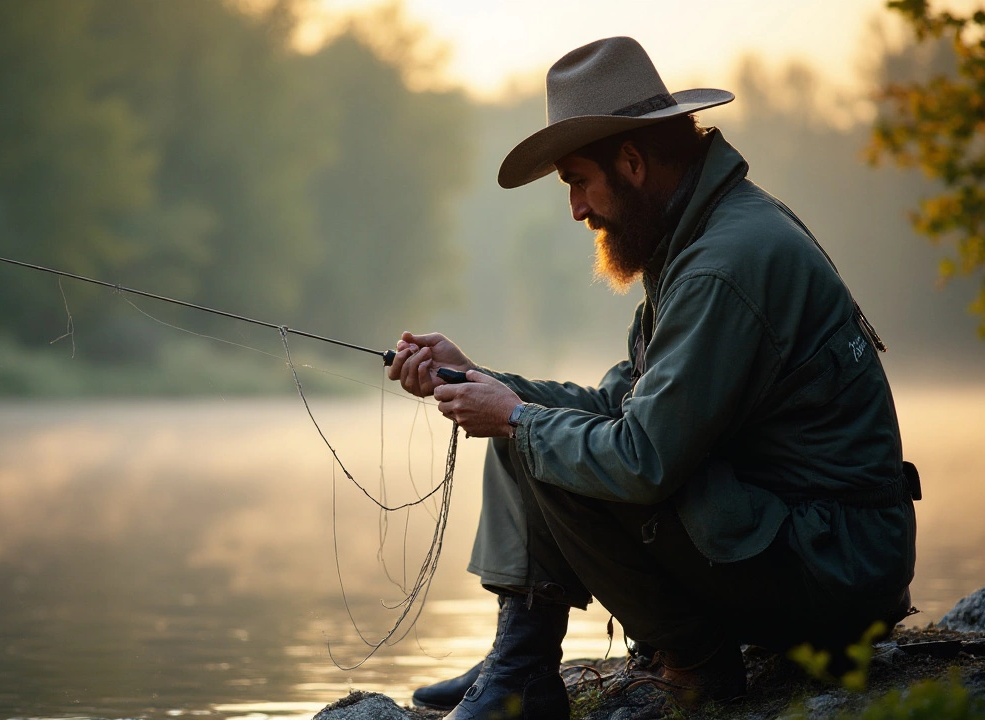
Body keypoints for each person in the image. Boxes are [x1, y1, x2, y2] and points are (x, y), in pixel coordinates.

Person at [386, 37, 918, 719]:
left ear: (632, 162)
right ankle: (521, 667)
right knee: (531, 428)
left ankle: (698, 664)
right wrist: (480, 381)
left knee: (541, 440)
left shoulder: (722, 266)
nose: (577, 208)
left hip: (836, 569)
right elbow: (618, 403)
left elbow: (642, 461)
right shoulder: (699, 237)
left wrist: (514, 415)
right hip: (809, 543)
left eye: (579, 181)